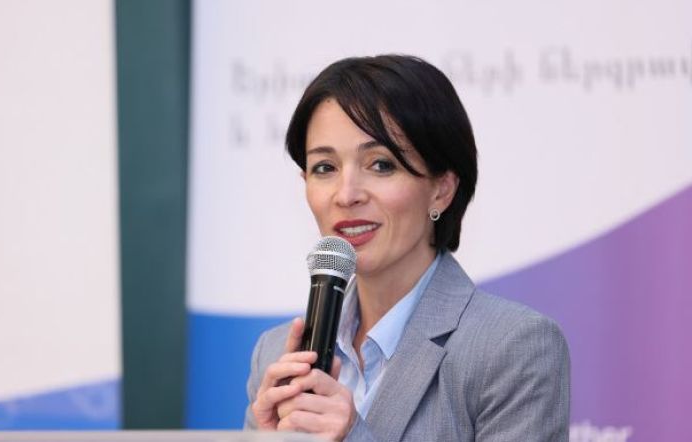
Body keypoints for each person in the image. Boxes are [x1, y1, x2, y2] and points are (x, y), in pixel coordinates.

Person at [244, 55, 570, 441]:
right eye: (325, 168)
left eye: (381, 165)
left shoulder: (512, 348)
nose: (346, 195)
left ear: (441, 189)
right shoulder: (276, 353)